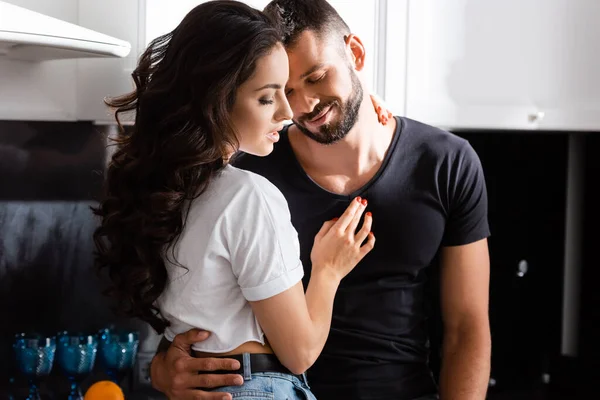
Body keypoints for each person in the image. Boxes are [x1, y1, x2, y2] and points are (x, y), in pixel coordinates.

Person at [149, 0, 492, 400]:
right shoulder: (251, 170)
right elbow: (196, 301)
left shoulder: (446, 163)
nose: (303, 106)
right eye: (285, 90)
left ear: (356, 54)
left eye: (316, 77)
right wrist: (163, 368)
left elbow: (467, 327)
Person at [92, 1, 383, 399]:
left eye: (286, 91)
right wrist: (329, 270)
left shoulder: (166, 193)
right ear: (217, 99)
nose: (287, 111)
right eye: (267, 98)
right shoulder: (249, 196)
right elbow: (299, 352)